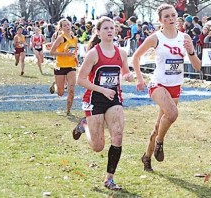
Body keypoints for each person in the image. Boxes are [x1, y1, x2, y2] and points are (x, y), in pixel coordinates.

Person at [132, 4, 201, 172]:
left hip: (175, 85)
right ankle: (159, 144)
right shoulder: (156, 38)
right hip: (158, 84)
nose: (171, 19)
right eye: (166, 17)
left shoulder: (184, 37)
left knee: (159, 125)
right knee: (172, 113)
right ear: (160, 20)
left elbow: (197, 66)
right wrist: (140, 78)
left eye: (173, 15)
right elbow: (135, 57)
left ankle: (147, 156)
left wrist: (191, 51)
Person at [72, 16, 133, 190]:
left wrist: (128, 76)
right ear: (98, 32)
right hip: (95, 98)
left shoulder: (121, 52)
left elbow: (125, 72)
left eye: (112, 28)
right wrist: (102, 90)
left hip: (114, 98)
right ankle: (84, 126)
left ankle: (109, 179)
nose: (109, 31)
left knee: (118, 136)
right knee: (98, 146)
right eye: (105, 28)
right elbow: (81, 80)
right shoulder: (94, 54)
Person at [49, 18, 78, 116]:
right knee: (60, 93)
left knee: (72, 88)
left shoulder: (74, 39)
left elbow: (74, 51)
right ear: (61, 28)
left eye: (68, 24)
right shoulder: (61, 38)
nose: (67, 27)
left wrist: (75, 57)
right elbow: (51, 52)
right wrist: (64, 54)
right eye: (64, 25)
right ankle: (57, 85)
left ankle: (68, 110)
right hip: (60, 66)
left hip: (71, 66)